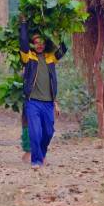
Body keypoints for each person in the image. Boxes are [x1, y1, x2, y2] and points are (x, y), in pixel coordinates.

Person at [19, 15, 67, 169]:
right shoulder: (28, 57)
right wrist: (24, 24)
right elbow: (23, 43)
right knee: (35, 132)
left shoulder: (51, 58)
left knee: (48, 132)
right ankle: (36, 161)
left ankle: (41, 154)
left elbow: (64, 48)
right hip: (32, 102)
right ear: (33, 44)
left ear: (45, 44)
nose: (39, 45)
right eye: (36, 42)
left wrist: (57, 31)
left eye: (42, 42)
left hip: (48, 103)